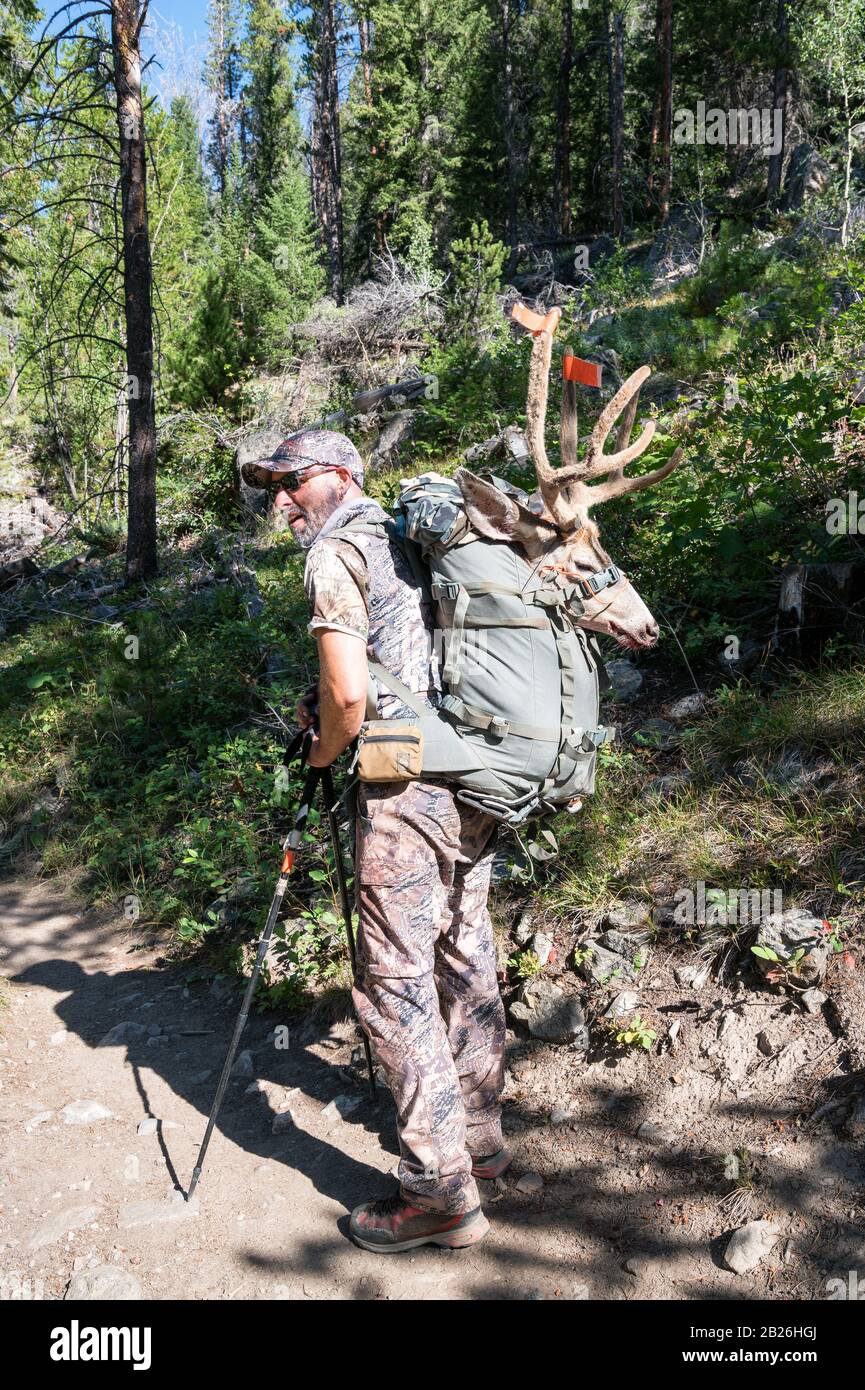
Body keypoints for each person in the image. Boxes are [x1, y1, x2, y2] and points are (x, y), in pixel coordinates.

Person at [242, 429, 510, 1253]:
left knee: (392, 982)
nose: (279, 501)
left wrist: (321, 750)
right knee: (464, 952)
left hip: (403, 786)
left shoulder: (335, 552)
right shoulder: (410, 535)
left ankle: (438, 1194)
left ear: (339, 475)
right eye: (270, 489)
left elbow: (350, 699)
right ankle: (482, 1145)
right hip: (475, 772)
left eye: (291, 481)